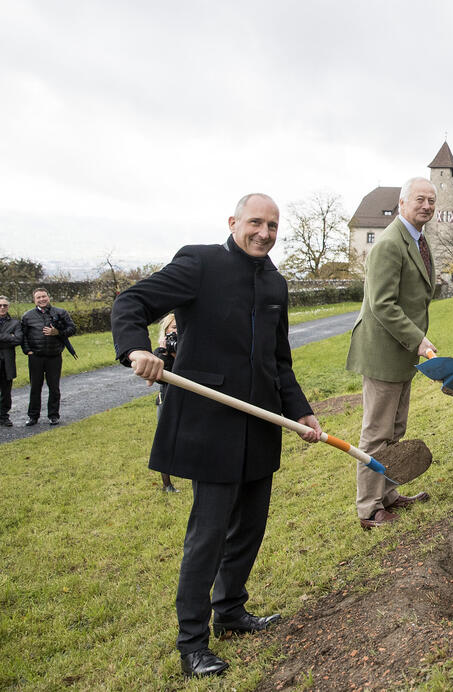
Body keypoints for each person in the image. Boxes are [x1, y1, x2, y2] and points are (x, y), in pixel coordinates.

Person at [111, 192, 322, 679]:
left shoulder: (275, 282)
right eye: (255, 223)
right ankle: (192, 643)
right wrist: (135, 350)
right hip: (211, 426)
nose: (264, 233)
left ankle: (230, 612)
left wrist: (302, 412)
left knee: (249, 527)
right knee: (207, 537)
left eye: (272, 226)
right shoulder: (200, 263)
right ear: (233, 222)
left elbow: (279, 361)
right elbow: (133, 301)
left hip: (262, 424)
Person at [345, 177, 436, 530]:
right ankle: (369, 507)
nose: (426, 206)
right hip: (384, 351)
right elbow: (381, 305)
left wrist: (415, 342)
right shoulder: (388, 244)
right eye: (419, 200)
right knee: (376, 433)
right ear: (402, 203)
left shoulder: (418, 239)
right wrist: (418, 340)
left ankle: (388, 495)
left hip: (403, 352)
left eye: (431, 200)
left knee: (395, 429)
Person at [20, 288, 77, 426]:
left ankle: (53, 415)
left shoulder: (60, 312)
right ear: (34, 300)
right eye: (38, 297)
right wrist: (27, 351)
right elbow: (23, 336)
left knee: (54, 387)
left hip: (54, 356)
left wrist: (57, 332)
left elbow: (72, 329)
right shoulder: (27, 316)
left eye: (43, 296)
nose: (41, 299)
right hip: (36, 357)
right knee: (35, 387)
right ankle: (33, 416)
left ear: (48, 297)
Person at [153, 313, 180, 493]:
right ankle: (166, 484)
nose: (177, 332)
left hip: (190, 399)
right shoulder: (159, 353)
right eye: (174, 328)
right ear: (166, 330)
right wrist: (167, 353)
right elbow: (160, 378)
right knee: (165, 441)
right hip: (167, 399)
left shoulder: (189, 348)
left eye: (180, 328)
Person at [0, 296, 22, 427]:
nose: (2, 307)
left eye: (5, 305)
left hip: (7, 361)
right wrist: (9, 337)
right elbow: (13, 339)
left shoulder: (15, 323)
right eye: (0, 305)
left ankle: (3, 416)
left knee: (6, 391)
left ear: (8, 307)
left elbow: (18, 339)